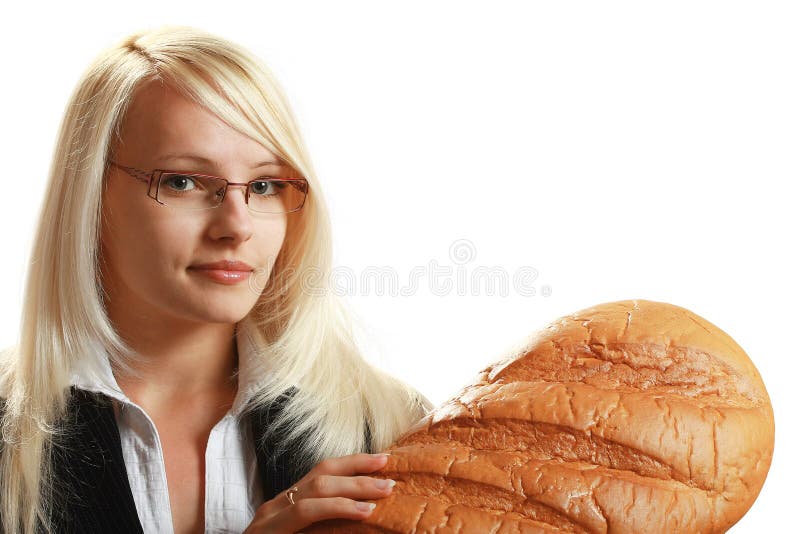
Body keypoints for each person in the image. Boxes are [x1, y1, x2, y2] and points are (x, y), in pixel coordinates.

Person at [0, 25, 431, 534]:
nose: (236, 226)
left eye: (265, 185)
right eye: (182, 181)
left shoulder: (391, 425)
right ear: (90, 195)